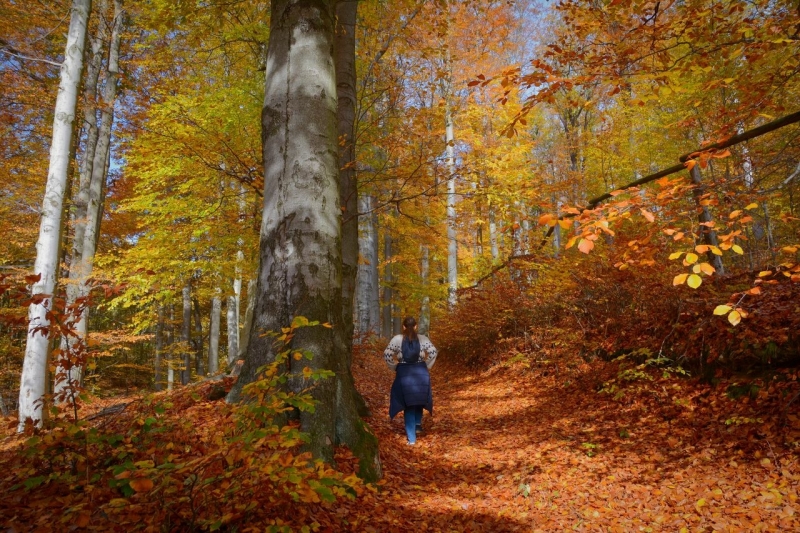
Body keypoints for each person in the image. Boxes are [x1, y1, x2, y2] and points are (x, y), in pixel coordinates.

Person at [384, 317, 438, 445]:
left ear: (403, 327)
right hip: (421, 372)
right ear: (416, 326)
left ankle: (412, 439)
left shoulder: (397, 339)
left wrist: (394, 366)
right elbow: (433, 352)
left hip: (404, 372)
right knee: (418, 400)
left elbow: (387, 354)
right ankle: (417, 425)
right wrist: (427, 365)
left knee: (408, 404)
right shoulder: (423, 339)